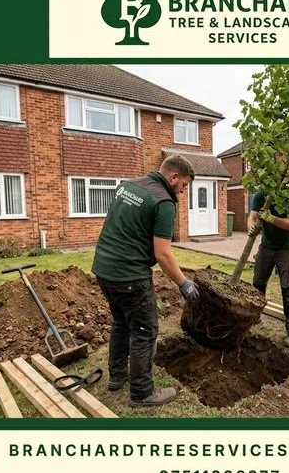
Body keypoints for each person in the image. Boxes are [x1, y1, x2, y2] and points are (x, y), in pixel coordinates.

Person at [92, 155, 200, 407]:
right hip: (129, 275)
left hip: (103, 269)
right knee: (144, 330)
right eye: (184, 185)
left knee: (121, 322)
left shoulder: (128, 186)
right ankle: (141, 392)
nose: (183, 192)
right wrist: (184, 283)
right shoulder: (163, 202)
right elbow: (162, 253)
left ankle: (117, 376)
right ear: (173, 177)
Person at [247, 192, 289, 347]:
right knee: (257, 283)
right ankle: (254, 318)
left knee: (288, 288)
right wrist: (252, 228)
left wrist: (271, 218)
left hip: (287, 247)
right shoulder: (260, 195)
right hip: (267, 246)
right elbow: (252, 217)